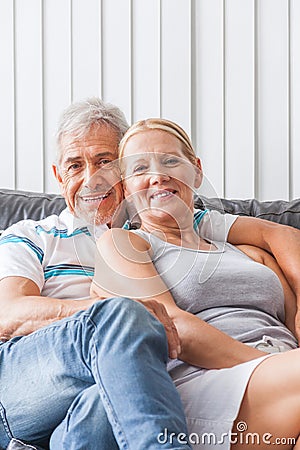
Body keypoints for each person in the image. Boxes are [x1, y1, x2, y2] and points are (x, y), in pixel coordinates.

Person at [0, 98, 300, 449]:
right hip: (34, 377)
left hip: (118, 383)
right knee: (126, 315)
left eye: (104, 162)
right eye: (75, 166)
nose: (92, 179)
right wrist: (118, 312)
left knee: (106, 403)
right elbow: (9, 315)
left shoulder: (181, 221)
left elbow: (277, 233)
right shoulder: (34, 235)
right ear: (57, 175)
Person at [91, 117, 300, 449]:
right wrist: (267, 363)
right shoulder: (125, 244)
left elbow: (294, 318)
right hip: (210, 384)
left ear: (197, 171)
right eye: (140, 168)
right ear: (126, 188)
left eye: (171, 161)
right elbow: (174, 328)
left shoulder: (247, 252)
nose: (158, 175)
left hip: (284, 374)